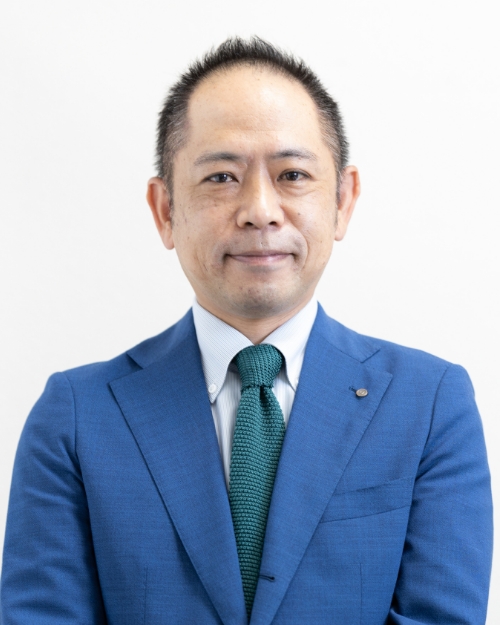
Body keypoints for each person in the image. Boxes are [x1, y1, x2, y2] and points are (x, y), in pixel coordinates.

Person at [1, 37, 493, 625]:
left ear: (343, 201)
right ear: (165, 210)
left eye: (292, 174)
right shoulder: (76, 416)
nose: (260, 209)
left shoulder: (430, 405)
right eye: (221, 177)